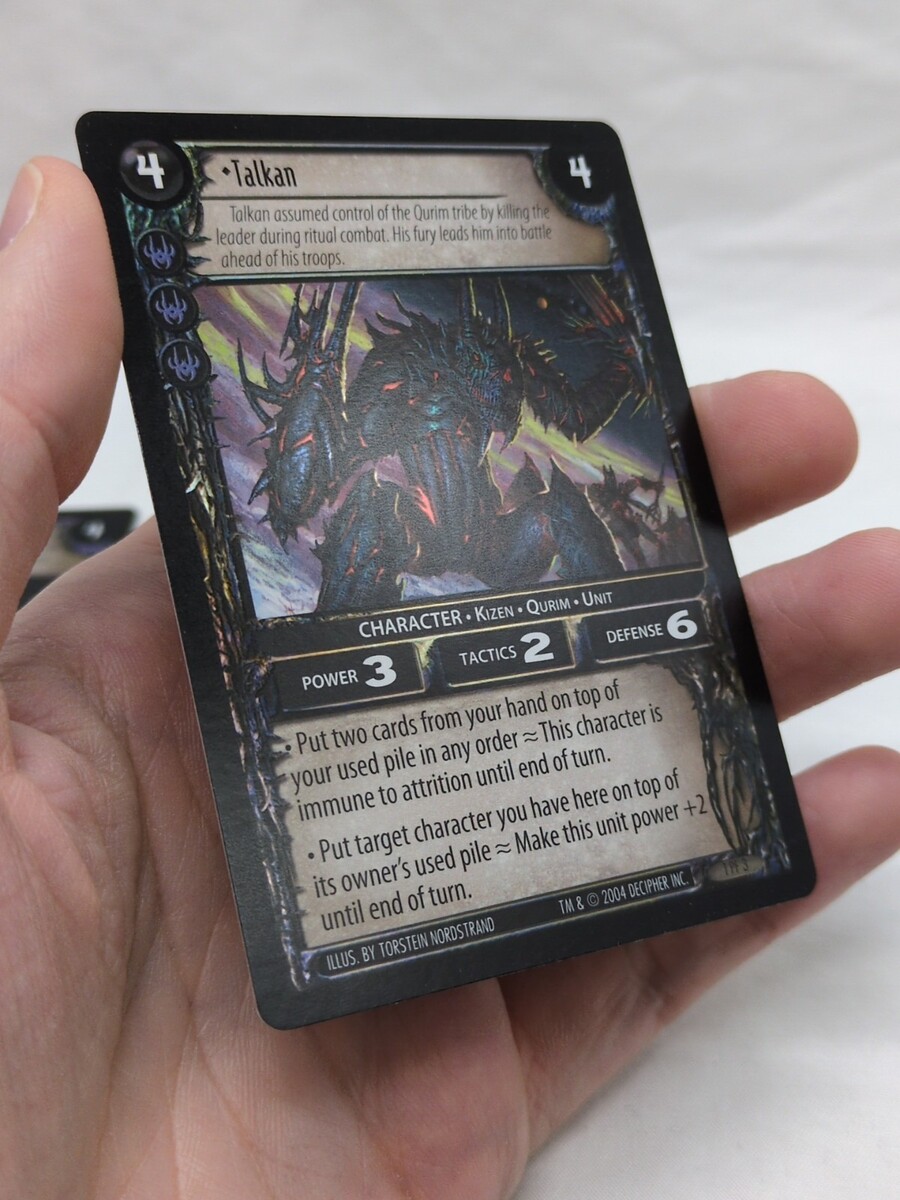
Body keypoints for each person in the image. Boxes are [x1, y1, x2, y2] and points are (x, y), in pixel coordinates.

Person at [1, 157, 898, 1199]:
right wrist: (321, 362)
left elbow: (575, 411)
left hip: (488, 539)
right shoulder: (379, 402)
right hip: (392, 536)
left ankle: (622, 683)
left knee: (561, 511)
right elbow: (300, 491)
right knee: (379, 528)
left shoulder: (494, 367)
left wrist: (614, 348)